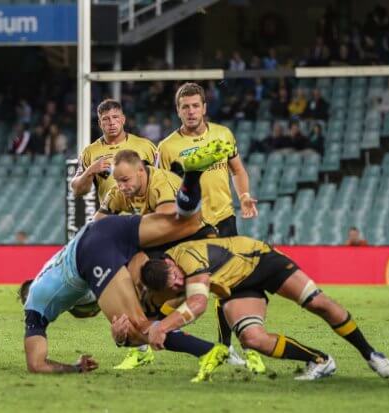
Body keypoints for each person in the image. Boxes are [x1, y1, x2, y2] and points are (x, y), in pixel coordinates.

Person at [22, 140, 233, 375]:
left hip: (91, 251)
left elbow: (36, 365)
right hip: (106, 232)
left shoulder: (35, 307)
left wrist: (75, 368)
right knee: (185, 222)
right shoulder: (51, 270)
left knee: (136, 330)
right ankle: (192, 177)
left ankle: (213, 351)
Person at [138, 236, 389, 380]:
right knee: (252, 339)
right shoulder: (159, 289)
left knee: (319, 303)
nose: (179, 284)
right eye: (174, 286)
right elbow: (149, 319)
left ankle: (371, 355)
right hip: (238, 288)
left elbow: (198, 304)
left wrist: (163, 327)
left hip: (261, 261)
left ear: (170, 264)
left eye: (177, 277)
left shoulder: (185, 257)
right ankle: (320, 361)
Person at [157, 82, 262, 370]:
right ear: (178, 111)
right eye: (185, 107)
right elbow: (163, 188)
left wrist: (243, 196)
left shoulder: (223, 135)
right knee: (184, 288)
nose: (190, 111)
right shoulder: (167, 148)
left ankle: (226, 347)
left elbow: (237, 169)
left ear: (204, 108)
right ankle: (154, 330)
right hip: (191, 228)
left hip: (224, 220)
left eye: (195, 106)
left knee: (226, 287)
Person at [94, 149, 218, 370]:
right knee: (132, 284)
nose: (122, 186)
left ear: (141, 171)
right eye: (118, 181)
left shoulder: (162, 182)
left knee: (156, 285)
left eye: (125, 180)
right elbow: (96, 229)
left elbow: (166, 226)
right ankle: (145, 341)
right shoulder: (117, 192)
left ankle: (216, 345)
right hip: (163, 244)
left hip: (194, 236)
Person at [70, 99, 157, 204]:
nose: (111, 123)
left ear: (123, 119)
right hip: (111, 216)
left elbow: (164, 181)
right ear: (100, 123)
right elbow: (77, 190)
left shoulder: (145, 146)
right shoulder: (90, 152)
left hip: (142, 216)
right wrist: (90, 170)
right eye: (105, 119)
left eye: (115, 117)